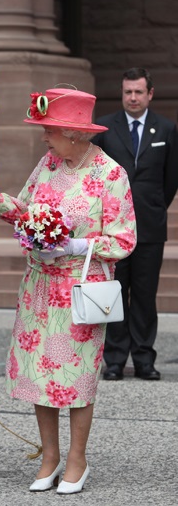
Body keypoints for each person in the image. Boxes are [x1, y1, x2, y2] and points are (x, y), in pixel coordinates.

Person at [0, 88, 136, 494]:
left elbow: (124, 239)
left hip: (80, 290)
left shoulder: (110, 174)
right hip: (39, 287)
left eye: (49, 130)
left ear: (74, 133)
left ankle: (77, 460)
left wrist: (76, 245)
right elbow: (25, 210)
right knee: (40, 372)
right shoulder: (48, 163)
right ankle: (49, 457)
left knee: (76, 376)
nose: (44, 137)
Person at [93, 68, 178, 382]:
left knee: (144, 295)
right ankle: (115, 360)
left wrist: (151, 207)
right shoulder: (105, 127)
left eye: (138, 92)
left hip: (150, 228)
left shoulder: (166, 129)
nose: (132, 97)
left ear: (149, 94)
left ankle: (144, 359)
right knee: (115, 292)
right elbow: (96, 174)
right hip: (113, 229)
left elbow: (171, 179)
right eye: (127, 91)